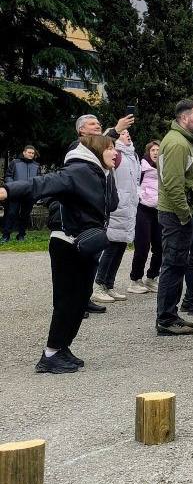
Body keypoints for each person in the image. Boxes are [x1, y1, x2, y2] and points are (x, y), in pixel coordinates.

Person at [0, 135, 117, 373]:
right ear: (97, 150)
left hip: (86, 245)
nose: (115, 153)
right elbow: (42, 183)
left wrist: (110, 174)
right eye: (110, 148)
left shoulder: (100, 173)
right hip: (67, 244)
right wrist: (7, 190)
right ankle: (50, 354)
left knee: (80, 301)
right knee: (66, 302)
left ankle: (62, 348)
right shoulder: (78, 171)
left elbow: (112, 204)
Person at [155, 100, 193, 336]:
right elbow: (173, 183)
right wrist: (185, 214)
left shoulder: (184, 141)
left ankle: (170, 314)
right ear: (184, 118)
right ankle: (166, 319)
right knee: (173, 265)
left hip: (179, 214)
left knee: (177, 264)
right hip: (176, 215)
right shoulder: (177, 143)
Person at [93, 130, 141, 302]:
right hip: (117, 208)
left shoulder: (132, 155)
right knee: (111, 247)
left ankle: (109, 285)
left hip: (129, 207)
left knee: (120, 247)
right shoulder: (115, 153)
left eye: (128, 132)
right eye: (123, 133)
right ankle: (99, 285)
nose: (127, 134)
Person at [128, 141, 162, 294]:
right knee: (142, 246)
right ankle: (135, 279)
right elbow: (134, 184)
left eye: (158, 150)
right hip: (143, 209)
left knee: (160, 247)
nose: (155, 152)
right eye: (152, 150)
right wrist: (141, 196)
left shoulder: (166, 167)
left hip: (159, 210)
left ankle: (152, 277)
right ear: (148, 152)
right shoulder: (141, 167)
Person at [2, 145, 40, 242]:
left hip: (29, 194)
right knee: (11, 214)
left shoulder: (36, 165)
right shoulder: (15, 163)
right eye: (29, 152)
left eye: (32, 153)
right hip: (15, 193)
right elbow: (8, 176)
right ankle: (6, 236)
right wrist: (12, 186)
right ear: (24, 152)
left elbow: (39, 180)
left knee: (25, 215)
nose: (31, 154)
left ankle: (21, 235)